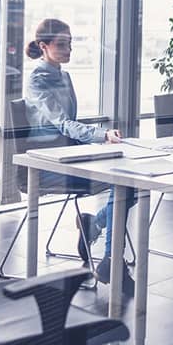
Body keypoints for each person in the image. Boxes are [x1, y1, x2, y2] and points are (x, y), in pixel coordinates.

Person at [25, 18, 135, 292]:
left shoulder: (64, 75)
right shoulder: (38, 79)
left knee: (129, 180)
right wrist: (101, 135)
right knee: (122, 184)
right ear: (44, 46)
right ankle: (111, 259)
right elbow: (62, 123)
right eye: (62, 44)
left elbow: (70, 125)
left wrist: (98, 142)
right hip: (48, 164)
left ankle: (94, 227)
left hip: (70, 155)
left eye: (70, 43)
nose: (69, 49)